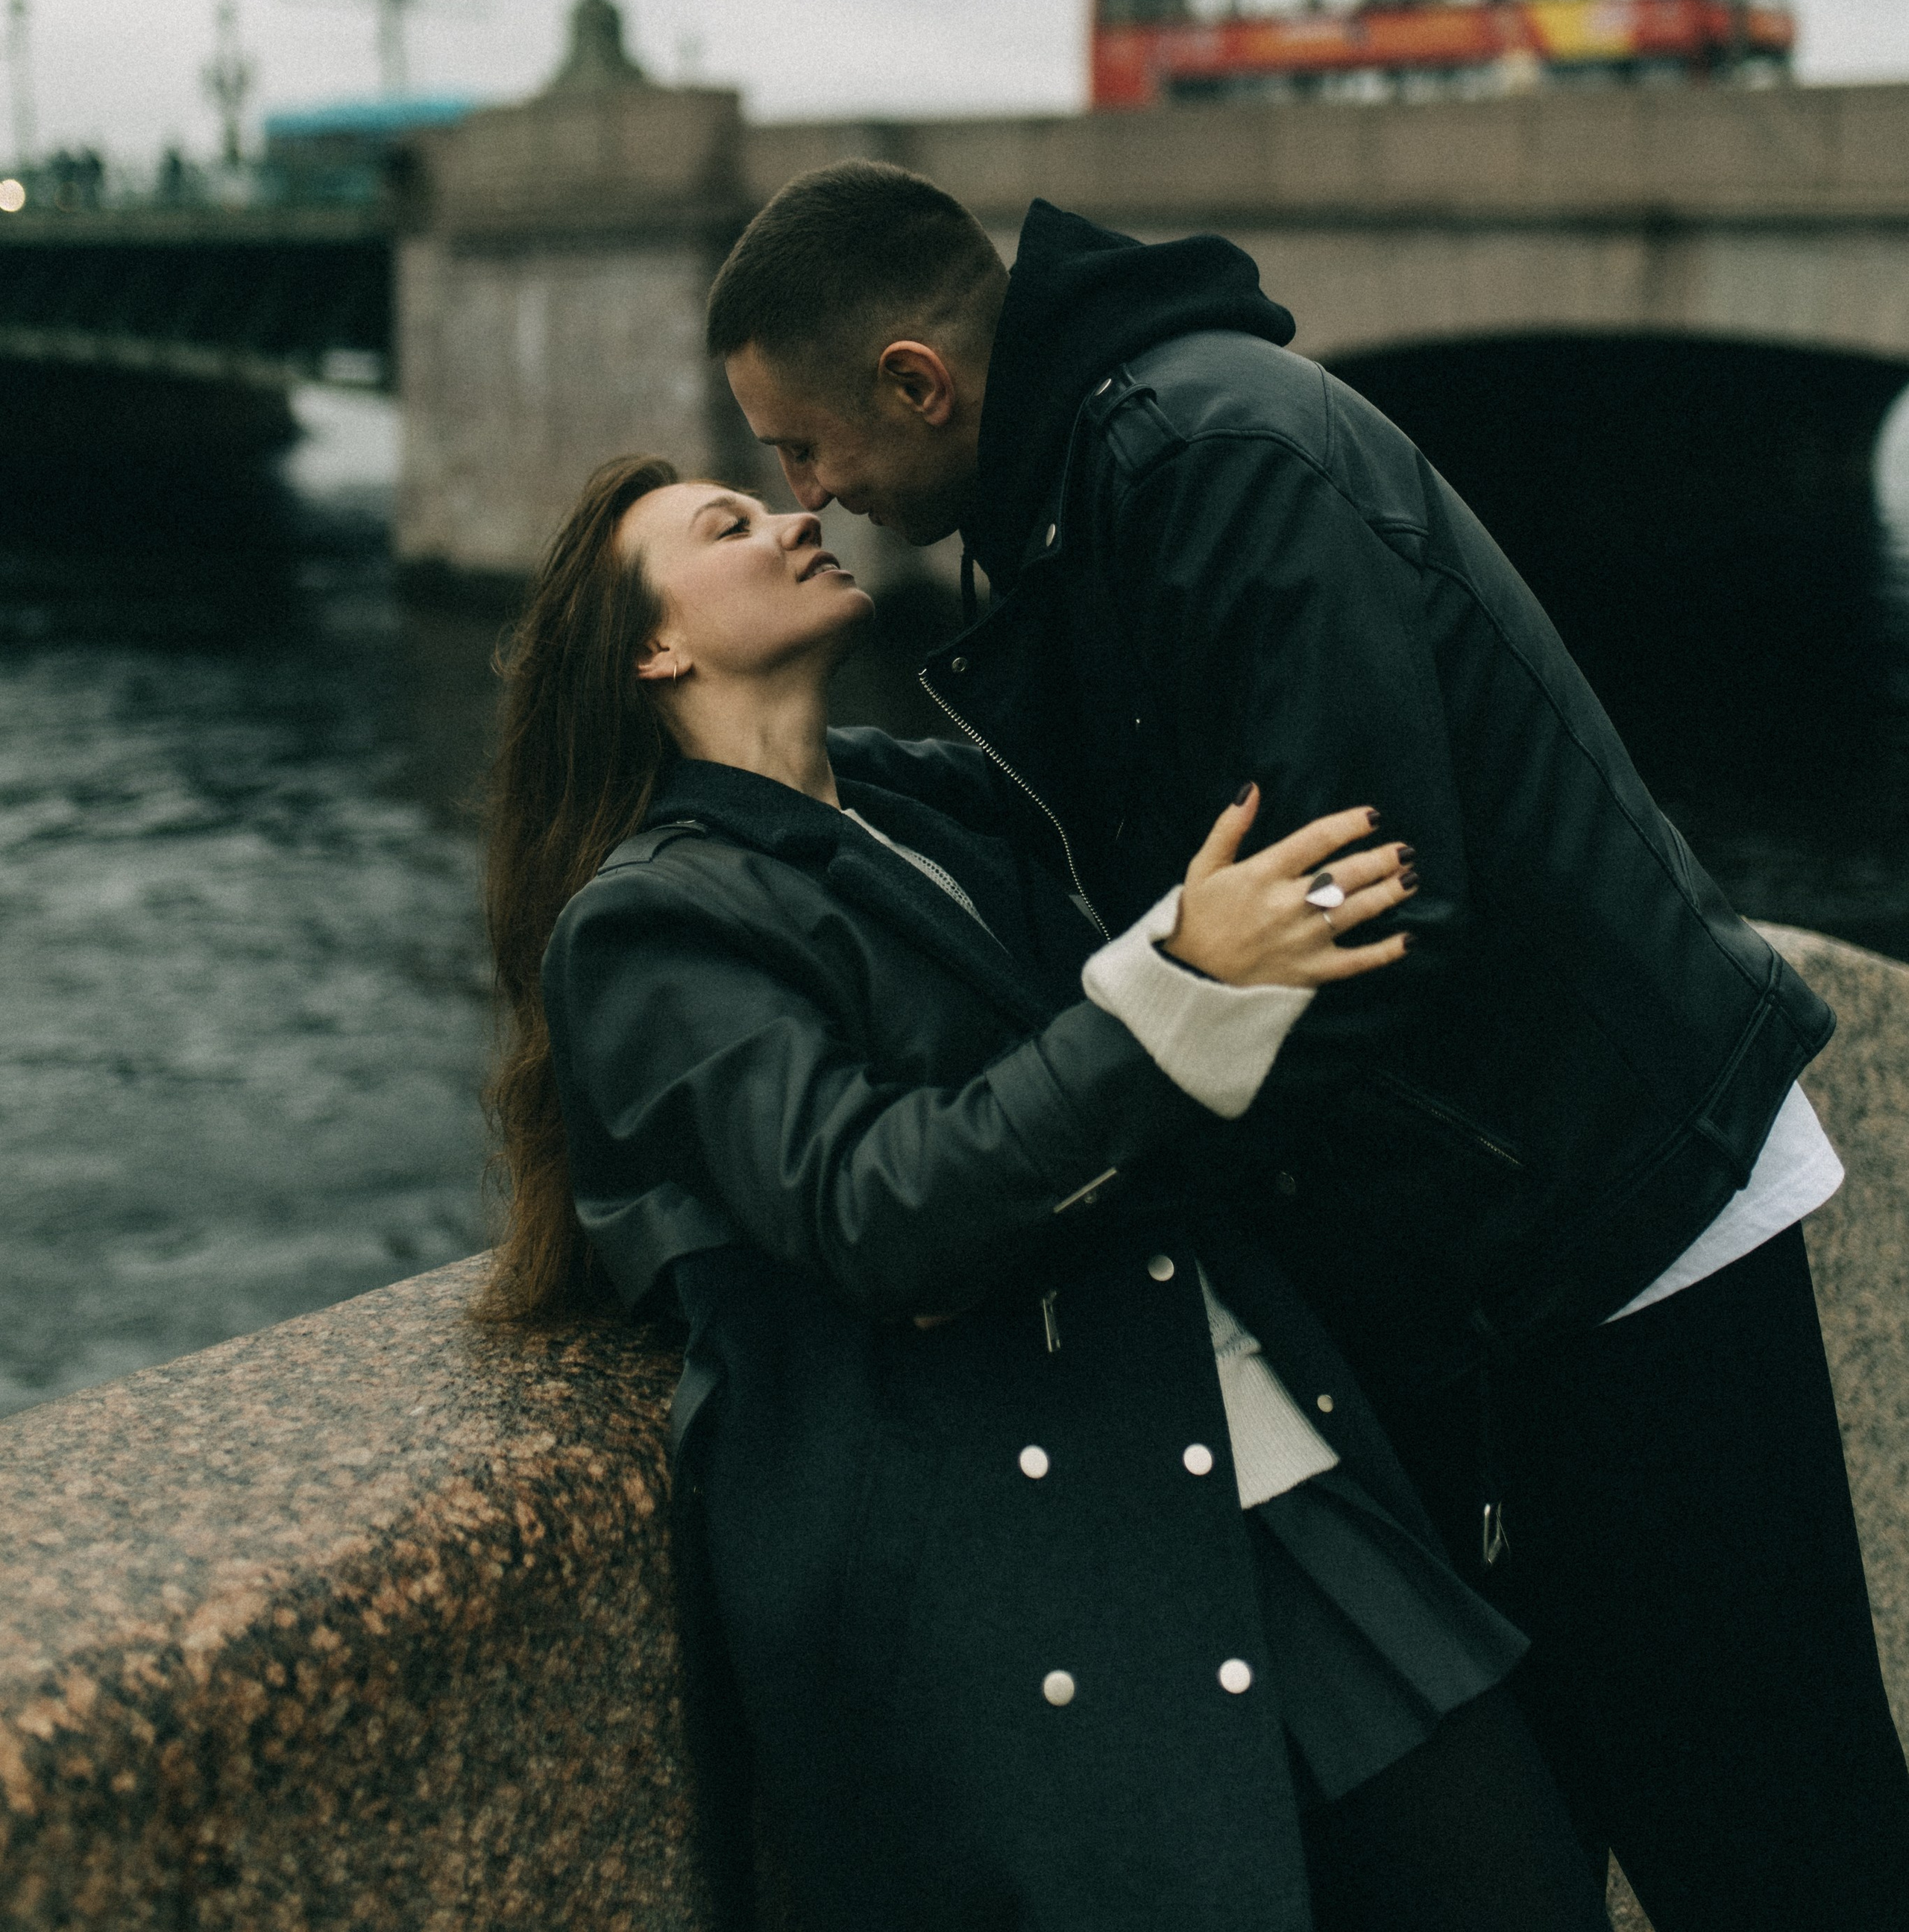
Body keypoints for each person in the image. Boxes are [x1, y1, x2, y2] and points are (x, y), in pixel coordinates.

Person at [707, 160, 1909, 1932]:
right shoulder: (1097, 484)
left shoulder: (1200, 459)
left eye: (804, 447)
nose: (808, 495)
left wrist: (1093, 1165)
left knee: (1769, 1823)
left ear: (914, 378)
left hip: (1610, 1213)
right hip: (1517, 1221)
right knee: (1635, 1792)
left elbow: (1361, 915)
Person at [481, 452, 1611, 1932]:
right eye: (729, 526)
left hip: (1260, 1448)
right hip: (1066, 1570)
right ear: (653, 647)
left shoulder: (925, 801)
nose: (793, 517)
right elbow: (878, 1209)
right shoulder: (642, 928)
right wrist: (1180, 984)